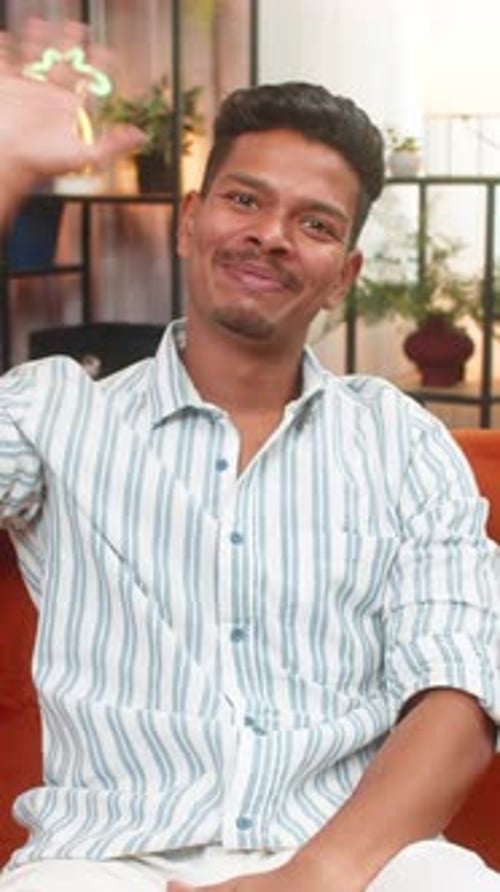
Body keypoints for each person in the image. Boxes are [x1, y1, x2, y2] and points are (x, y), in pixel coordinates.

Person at [0, 21, 499, 892]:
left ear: (343, 275)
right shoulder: (54, 410)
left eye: (314, 223)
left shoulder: (403, 441)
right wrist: (5, 175)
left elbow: (459, 693)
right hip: (103, 861)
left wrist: (312, 877)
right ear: (190, 221)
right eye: (244, 200)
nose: (271, 234)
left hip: (353, 861)